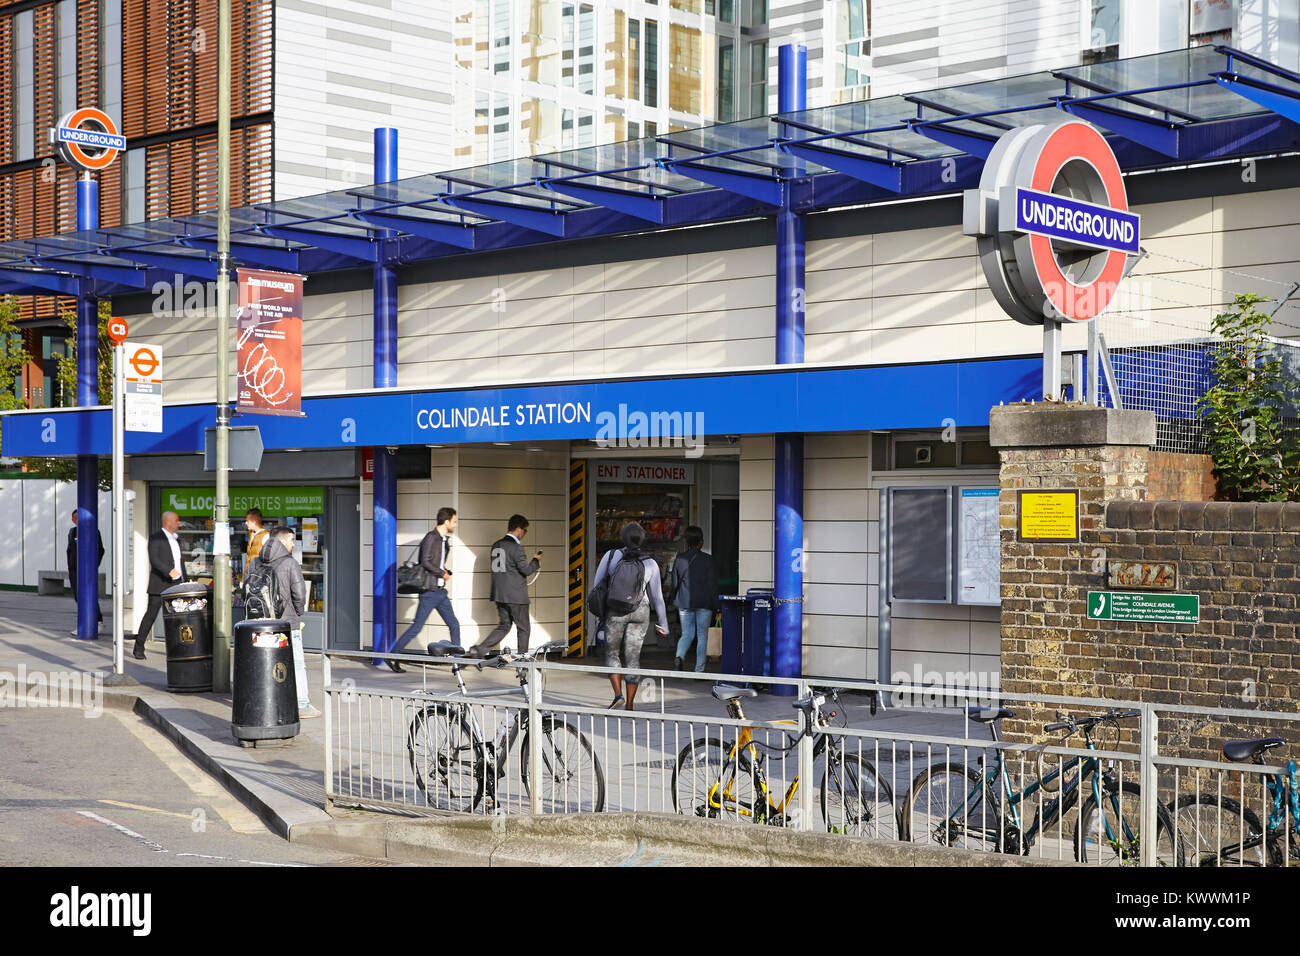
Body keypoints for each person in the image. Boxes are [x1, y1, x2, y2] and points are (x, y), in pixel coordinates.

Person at [593, 522, 668, 711]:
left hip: (615, 611)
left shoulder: (611, 556)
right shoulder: (650, 563)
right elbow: (657, 597)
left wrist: (598, 615)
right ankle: (631, 705)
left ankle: (618, 695)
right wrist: (664, 623)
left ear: (622, 538)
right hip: (640, 611)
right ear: (642, 539)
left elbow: (597, 586)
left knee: (612, 653)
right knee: (633, 657)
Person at [248, 527, 319, 718]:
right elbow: (299, 594)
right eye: (291, 541)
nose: (293, 545)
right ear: (282, 542)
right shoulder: (290, 563)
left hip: (260, 624)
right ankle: (302, 704)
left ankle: (265, 700)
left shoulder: (255, 562)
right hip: (287, 624)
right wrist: (298, 613)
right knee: (295, 663)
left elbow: (247, 589)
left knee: (262, 663)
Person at [386, 507, 461, 672]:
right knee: (416, 627)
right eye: (454, 521)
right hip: (429, 592)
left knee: (454, 625)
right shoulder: (431, 538)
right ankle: (393, 656)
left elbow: (436, 562)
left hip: (440, 591)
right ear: (446, 521)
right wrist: (442, 572)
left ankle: (458, 663)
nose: (455, 525)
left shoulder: (443, 540)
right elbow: (425, 561)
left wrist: (445, 572)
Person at [470, 514, 540, 657]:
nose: (524, 534)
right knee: (524, 628)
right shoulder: (516, 548)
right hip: (516, 596)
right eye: (525, 531)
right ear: (519, 529)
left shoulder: (496, 545)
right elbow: (526, 570)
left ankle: (480, 650)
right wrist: (535, 561)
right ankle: (522, 660)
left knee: (504, 626)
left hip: (499, 594)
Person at [131, 511, 186, 660]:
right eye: (176, 520)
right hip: (160, 583)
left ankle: (179, 648)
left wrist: (184, 579)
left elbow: (180, 561)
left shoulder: (176, 540)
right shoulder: (156, 538)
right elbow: (154, 559)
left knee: (178, 617)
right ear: (168, 522)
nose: (178, 523)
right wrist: (169, 572)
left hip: (176, 583)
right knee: (151, 615)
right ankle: (138, 647)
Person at [670, 525, 720, 673]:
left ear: (686, 541)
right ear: (701, 542)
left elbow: (674, 584)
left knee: (687, 634)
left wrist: (674, 600)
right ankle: (699, 670)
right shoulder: (709, 560)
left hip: (684, 602)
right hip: (704, 603)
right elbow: (713, 586)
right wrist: (717, 607)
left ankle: (679, 656)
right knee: (702, 636)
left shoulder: (679, 559)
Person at [66, 510, 105, 635]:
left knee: (88, 595)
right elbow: (70, 550)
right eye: (75, 518)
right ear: (73, 520)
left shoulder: (93, 531)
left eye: (80, 518)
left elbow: (100, 550)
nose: (78, 520)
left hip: (87, 570)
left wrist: (93, 566)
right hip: (74, 571)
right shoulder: (72, 532)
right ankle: (84, 623)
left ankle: (97, 621)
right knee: (78, 597)